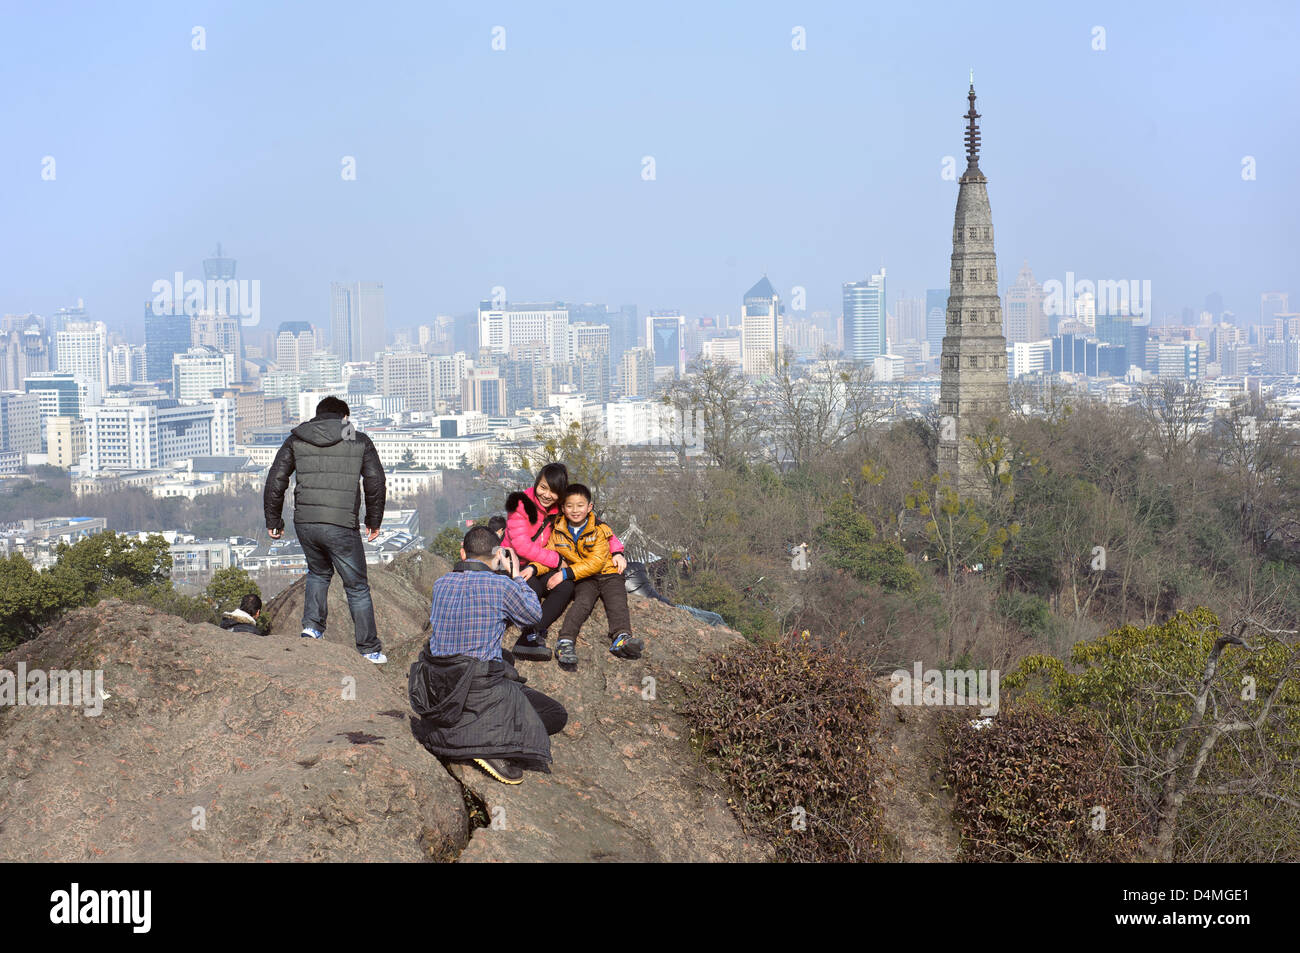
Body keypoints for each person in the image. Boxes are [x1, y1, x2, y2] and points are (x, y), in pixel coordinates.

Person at [408, 526, 568, 785]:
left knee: (505, 660)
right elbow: (532, 617)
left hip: (440, 684)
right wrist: (515, 574)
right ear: (497, 555)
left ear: (462, 553)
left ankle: (467, 733)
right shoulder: (501, 585)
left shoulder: (441, 584)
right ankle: (489, 745)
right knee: (555, 714)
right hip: (478, 684)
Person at [263, 395, 388, 663]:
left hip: (306, 522)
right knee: (356, 587)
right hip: (341, 523)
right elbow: (375, 480)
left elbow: (277, 478)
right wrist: (373, 520)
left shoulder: (297, 437)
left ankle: (312, 627)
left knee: (318, 572)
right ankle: (368, 649)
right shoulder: (357, 438)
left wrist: (273, 520)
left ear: (319, 415)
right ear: (344, 417)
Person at [502, 463, 627, 661]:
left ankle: (533, 633)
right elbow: (522, 547)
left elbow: (597, 525)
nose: (546, 495)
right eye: (543, 487)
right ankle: (528, 636)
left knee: (566, 586)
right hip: (516, 565)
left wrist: (617, 550)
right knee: (530, 590)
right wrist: (557, 559)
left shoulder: (560, 509)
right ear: (536, 483)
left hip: (539, 566)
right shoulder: (520, 505)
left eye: (554, 491)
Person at [529, 484, 643, 668]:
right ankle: (565, 641)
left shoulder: (599, 529)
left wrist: (565, 573)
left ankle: (621, 637)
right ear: (563, 508)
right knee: (582, 604)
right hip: (584, 579)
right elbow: (549, 556)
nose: (575, 510)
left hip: (608, 574)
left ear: (589, 507)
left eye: (580, 505)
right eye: (570, 506)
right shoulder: (558, 531)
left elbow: (597, 562)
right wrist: (533, 568)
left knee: (617, 601)